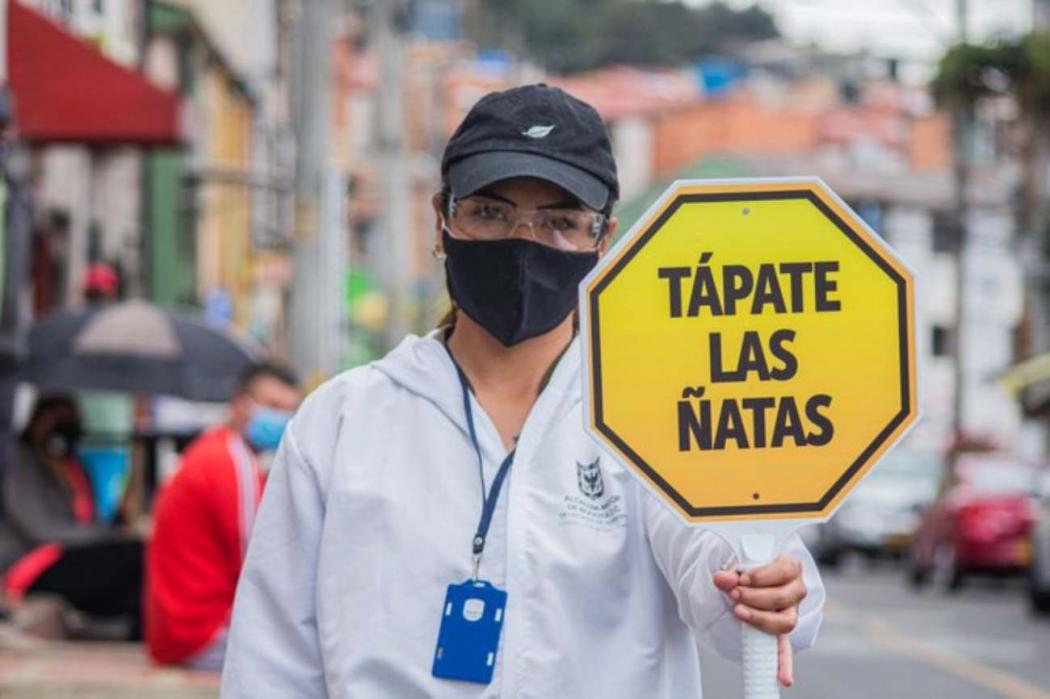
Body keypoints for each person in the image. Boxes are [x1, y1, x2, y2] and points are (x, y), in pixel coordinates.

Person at [221, 84, 825, 697]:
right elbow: (270, 663)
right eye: (489, 213)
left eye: (561, 222)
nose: (524, 242)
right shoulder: (341, 423)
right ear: (441, 219)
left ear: (603, 239)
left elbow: (724, 577)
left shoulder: (656, 415)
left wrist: (764, 583)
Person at [146, 361, 302, 671]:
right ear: (240, 404)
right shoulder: (231, 464)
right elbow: (258, 564)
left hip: (176, 630)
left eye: (289, 411)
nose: (282, 419)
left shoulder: (215, 450)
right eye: (273, 406)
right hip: (201, 633)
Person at [0, 393, 143, 639]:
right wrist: (107, 537)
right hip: (34, 563)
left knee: (140, 559)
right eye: (57, 417)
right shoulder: (20, 463)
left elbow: (94, 521)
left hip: (71, 554)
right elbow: (42, 529)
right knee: (132, 555)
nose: (66, 425)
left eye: (71, 418)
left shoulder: (73, 468)